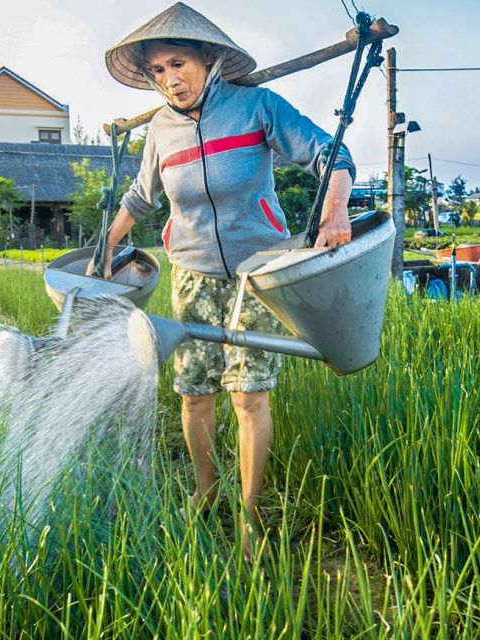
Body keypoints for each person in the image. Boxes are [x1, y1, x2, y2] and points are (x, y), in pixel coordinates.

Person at [101, 3, 356, 560]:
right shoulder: (160, 132)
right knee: (193, 398)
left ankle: (248, 512)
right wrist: (109, 245)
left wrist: (335, 210)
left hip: (258, 272)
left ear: (209, 59)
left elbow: (332, 156)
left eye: (178, 63)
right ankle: (206, 488)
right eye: (158, 72)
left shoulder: (256, 106)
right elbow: (141, 198)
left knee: (249, 398)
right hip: (190, 277)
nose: (170, 79)